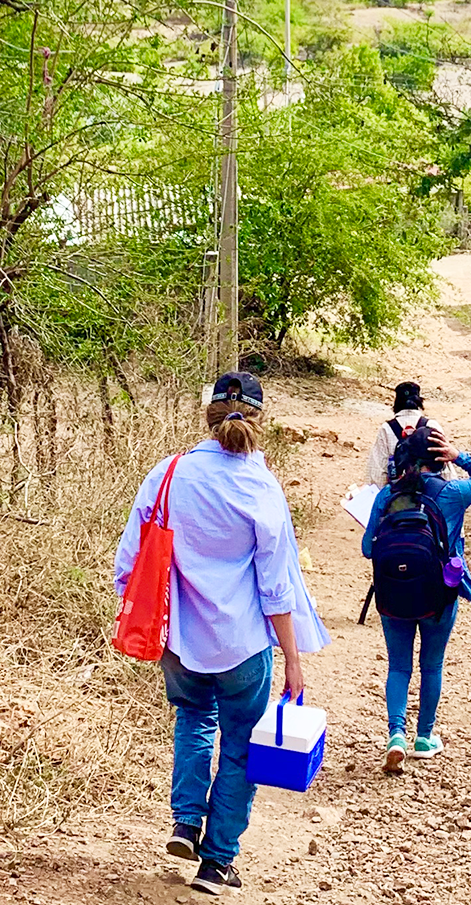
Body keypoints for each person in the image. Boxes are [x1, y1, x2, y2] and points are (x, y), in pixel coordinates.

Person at [113, 371, 331, 896]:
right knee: (240, 746)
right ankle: (217, 862)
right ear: (261, 419)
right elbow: (276, 587)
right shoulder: (262, 488)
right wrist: (295, 660)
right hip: (244, 646)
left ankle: (185, 823)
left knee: (193, 720)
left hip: (178, 639)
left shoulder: (168, 474)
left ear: (207, 417)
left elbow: (128, 564)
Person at [360, 424, 471, 773]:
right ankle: (424, 737)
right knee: (431, 665)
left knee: (399, 666)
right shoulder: (451, 492)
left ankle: (395, 735)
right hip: (439, 595)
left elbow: (366, 549)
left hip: (393, 594)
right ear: (438, 460)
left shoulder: (387, 496)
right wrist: (459, 456)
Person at [365, 381, 448, 486]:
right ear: (419, 402)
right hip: (430, 491)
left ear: (396, 402)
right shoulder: (432, 426)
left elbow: (377, 472)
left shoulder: (386, 429)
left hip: (399, 494)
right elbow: (446, 468)